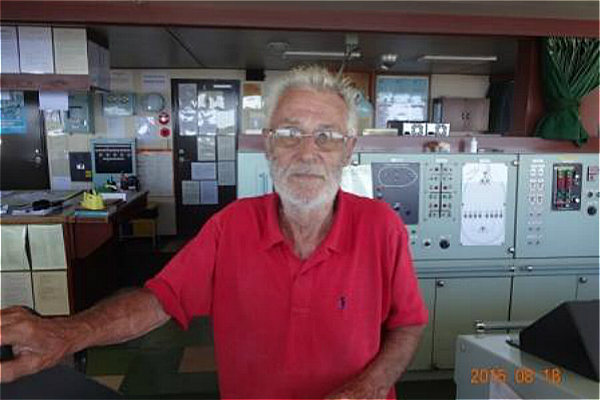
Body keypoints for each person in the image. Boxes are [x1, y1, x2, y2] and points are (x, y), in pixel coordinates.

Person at [0, 66, 428, 399]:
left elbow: (407, 326)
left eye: (327, 136)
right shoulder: (232, 226)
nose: (307, 152)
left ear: (349, 149)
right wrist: (67, 333)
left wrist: (367, 389)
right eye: (289, 134)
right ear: (268, 144)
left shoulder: (381, 227)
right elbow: (158, 301)